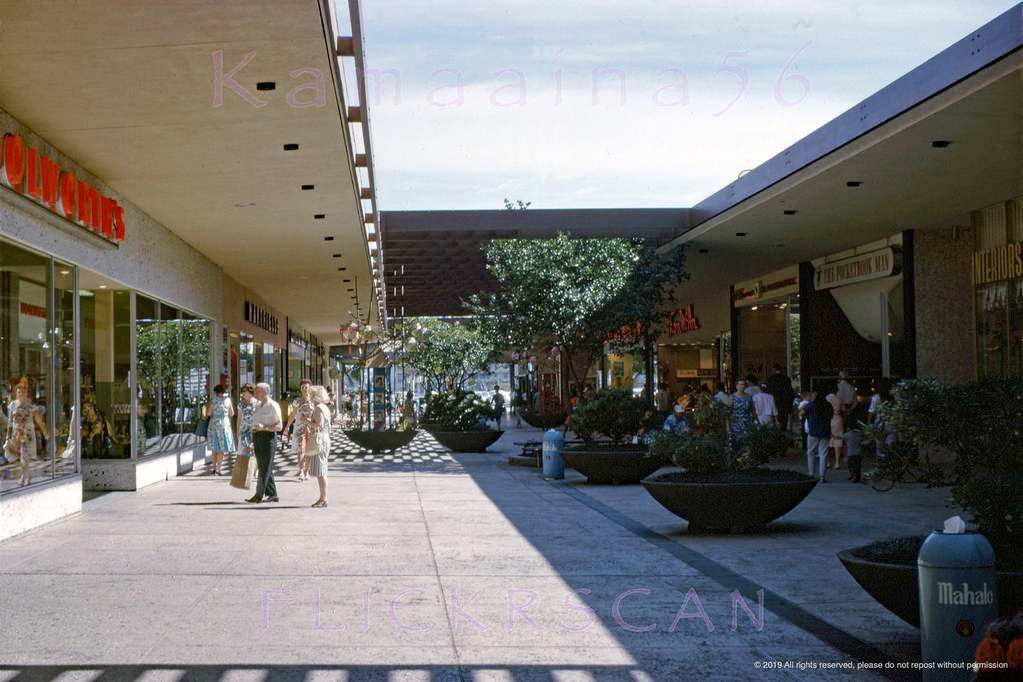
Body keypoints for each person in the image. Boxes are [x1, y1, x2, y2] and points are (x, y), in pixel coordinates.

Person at [5, 379, 48, 486]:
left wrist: (44, 431)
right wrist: (8, 436)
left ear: (26, 393)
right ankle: (24, 476)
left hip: (27, 435)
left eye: (23, 392)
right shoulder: (12, 405)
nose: (21, 394)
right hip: (16, 435)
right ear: (16, 393)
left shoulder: (30, 405)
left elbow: (38, 419)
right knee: (21, 458)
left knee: (24, 458)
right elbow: (10, 422)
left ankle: (26, 478)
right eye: (19, 392)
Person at [247, 382, 282, 503]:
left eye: (258, 391)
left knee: (264, 468)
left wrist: (265, 427)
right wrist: (252, 440)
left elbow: (279, 426)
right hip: (257, 437)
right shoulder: (258, 405)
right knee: (263, 467)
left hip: (268, 438)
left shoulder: (273, 405)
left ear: (265, 392)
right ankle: (273, 494)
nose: (255, 393)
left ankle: (259, 494)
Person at [305, 385, 332, 508]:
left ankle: (324, 498)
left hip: (319, 439)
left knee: (321, 471)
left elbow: (319, 425)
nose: (309, 396)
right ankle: (322, 497)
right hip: (325, 438)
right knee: (322, 470)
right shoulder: (325, 407)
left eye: (310, 394)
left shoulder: (318, 408)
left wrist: (306, 421)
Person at [283, 380, 313, 481]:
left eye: (306, 387)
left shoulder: (314, 400)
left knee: (308, 451)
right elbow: (293, 414)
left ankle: (306, 471)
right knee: (301, 450)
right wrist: (287, 426)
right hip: (299, 428)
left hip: (311, 428)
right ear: (300, 389)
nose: (305, 389)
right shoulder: (297, 401)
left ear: (310, 388)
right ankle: (301, 470)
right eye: (303, 387)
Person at [801, 392, 833, 482]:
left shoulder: (811, 405)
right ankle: (822, 476)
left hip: (813, 432)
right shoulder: (828, 405)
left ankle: (811, 473)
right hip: (825, 431)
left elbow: (801, 412)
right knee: (823, 454)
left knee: (810, 452)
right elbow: (831, 416)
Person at [206, 384, 235, 476]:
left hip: (214, 425)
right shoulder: (228, 400)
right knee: (221, 448)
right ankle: (219, 468)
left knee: (215, 448)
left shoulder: (213, 401)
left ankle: (214, 468)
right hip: (224, 425)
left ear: (215, 392)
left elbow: (209, 413)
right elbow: (232, 413)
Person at [843, 387, 870, 483]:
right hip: (858, 453)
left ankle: (852, 476)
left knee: (851, 465)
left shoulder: (847, 434)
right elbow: (864, 440)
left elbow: (842, 438)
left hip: (851, 454)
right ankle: (856, 476)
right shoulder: (859, 433)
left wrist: (833, 436)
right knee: (858, 465)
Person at [766, 363, 796, 432]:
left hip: (774, 402)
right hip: (785, 403)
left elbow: (768, 392)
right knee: (784, 420)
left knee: (775, 419)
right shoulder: (786, 378)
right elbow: (790, 391)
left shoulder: (771, 379)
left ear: (774, 369)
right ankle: (783, 432)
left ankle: (776, 433)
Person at [730, 380, 756, 449]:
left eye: (744, 384)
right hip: (736, 423)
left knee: (747, 443)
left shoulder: (749, 397)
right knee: (737, 444)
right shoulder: (732, 397)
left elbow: (753, 410)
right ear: (736, 386)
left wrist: (755, 421)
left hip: (746, 423)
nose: (742, 386)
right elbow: (728, 411)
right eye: (740, 384)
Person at [235, 383, 256, 461]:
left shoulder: (257, 403)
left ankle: (255, 471)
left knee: (254, 452)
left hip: (254, 430)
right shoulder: (241, 405)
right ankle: (245, 470)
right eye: (243, 392)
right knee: (243, 452)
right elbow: (239, 419)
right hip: (244, 431)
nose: (244, 394)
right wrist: (238, 432)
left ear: (251, 393)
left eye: (245, 392)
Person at [826, 393, 845, 470]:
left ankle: (827, 462)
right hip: (837, 418)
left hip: (827, 419)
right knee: (838, 441)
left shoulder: (825, 398)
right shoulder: (839, 398)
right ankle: (837, 463)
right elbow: (843, 410)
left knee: (826, 440)